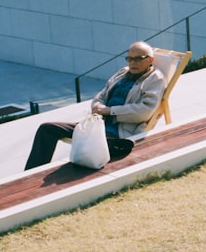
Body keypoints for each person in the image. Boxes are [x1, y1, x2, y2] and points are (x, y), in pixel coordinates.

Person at [24, 42, 166, 170]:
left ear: (150, 60)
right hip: (95, 125)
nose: (132, 63)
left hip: (117, 132)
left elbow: (145, 111)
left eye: (138, 59)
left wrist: (109, 111)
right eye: (129, 58)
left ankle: (113, 146)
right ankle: (29, 174)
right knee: (47, 129)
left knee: (93, 145)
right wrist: (98, 107)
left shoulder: (155, 79)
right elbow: (101, 95)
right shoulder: (123, 73)